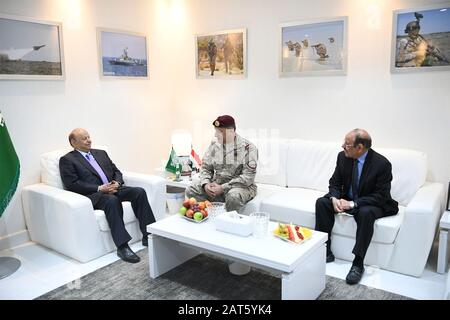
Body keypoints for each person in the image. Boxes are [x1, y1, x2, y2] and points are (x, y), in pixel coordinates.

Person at [59, 128, 156, 263]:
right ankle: (122, 247)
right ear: (73, 142)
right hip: (95, 195)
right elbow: (72, 184)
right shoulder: (67, 160)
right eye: (84, 138)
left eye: (89, 137)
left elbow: (116, 171)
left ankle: (149, 235)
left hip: (114, 188)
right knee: (111, 201)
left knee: (139, 192)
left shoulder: (101, 153)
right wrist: (99, 188)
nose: (89, 140)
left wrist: (117, 182)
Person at [315, 129, 398, 285]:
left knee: (365, 213)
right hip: (348, 198)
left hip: (372, 202)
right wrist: (334, 198)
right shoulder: (343, 157)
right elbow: (335, 182)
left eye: (347, 144)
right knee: (322, 202)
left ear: (359, 148)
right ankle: (324, 251)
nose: (342, 146)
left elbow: (381, 196)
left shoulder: (382, 164)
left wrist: (353, 204)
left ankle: (358, 263)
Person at [186, 115, 258, 212]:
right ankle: (211, 214)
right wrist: (206, 184)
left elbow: (248, 177)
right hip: (218, 183)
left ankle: (228, 222)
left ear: (231, 131)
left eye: (220, 132)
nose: (216, 135)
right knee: (191, 189)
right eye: (216, 131)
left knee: (233, 197)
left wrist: (222, 188)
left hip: (239, 186)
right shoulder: (215, 145)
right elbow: (206, 167)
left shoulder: (249, 149)